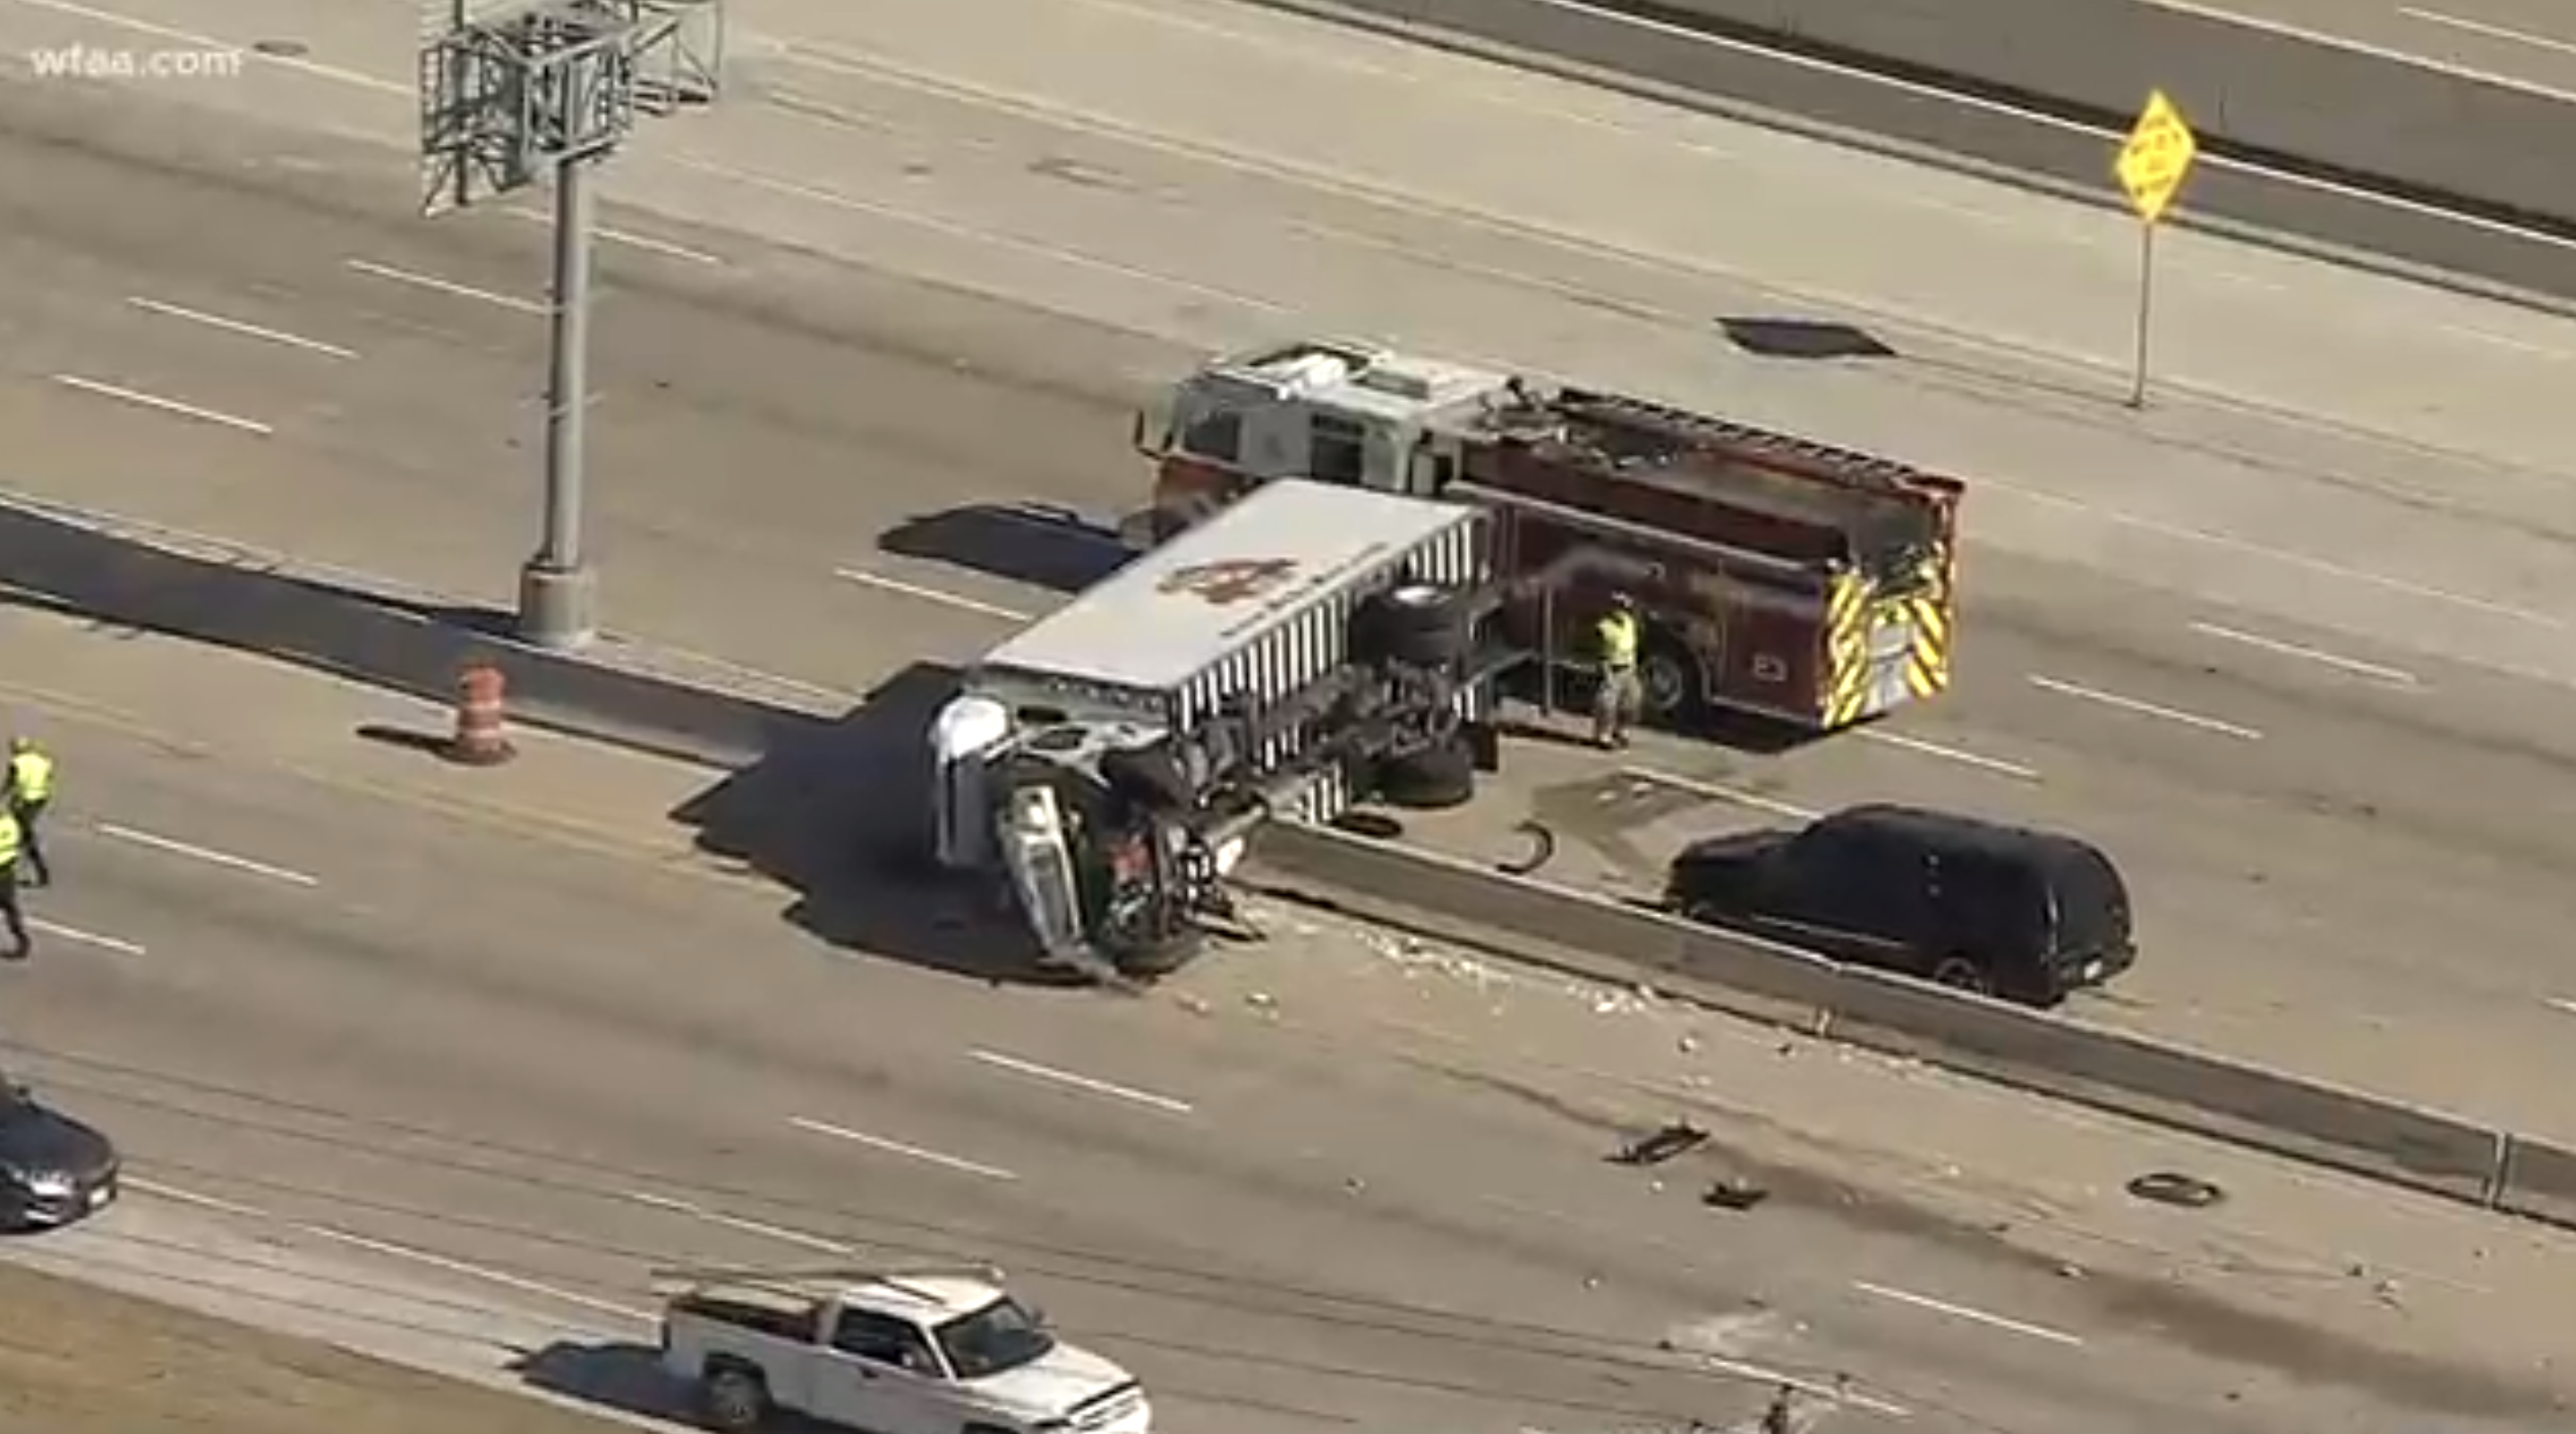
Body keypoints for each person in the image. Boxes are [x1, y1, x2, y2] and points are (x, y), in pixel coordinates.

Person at [1591, 593, 1642, 750]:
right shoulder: (1604, 627)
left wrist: (1633, 668)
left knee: (1632, 702)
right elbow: (1600, 653)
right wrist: (1606, 674)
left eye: (1624, 607)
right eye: (1618, 607)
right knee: (1607, 704)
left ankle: (1622, 731)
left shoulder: (1629, 622)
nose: (1622, 610)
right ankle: (1603, 736)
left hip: (1629, 667)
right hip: (1612, 668)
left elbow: (1633, 643)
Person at [6, 736, 53, 888]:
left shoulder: (17, 764)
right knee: (21, 835)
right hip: (39, 800)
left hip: (26, 802)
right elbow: (48, 779)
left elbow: (9, 784)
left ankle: (41, 873)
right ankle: (41, 873)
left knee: (22, 837)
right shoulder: (42, 761)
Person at [0, 808, 29, 960]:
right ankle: (22, 943)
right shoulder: (11, 824)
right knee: (10, 909)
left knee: (9, 908)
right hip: (7, 872)